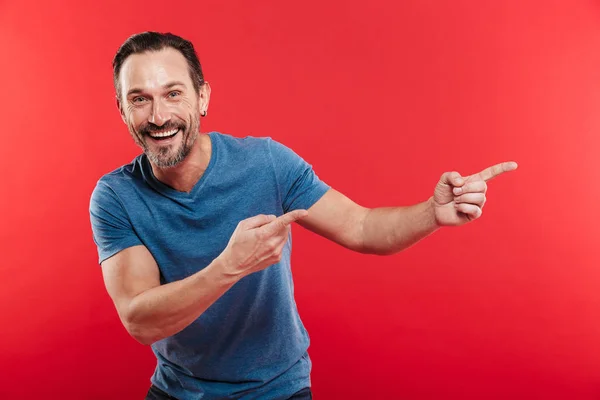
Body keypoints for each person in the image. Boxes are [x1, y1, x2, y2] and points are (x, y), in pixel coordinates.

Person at [89, 31, 517, 400]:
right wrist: (230, 267)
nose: (158, 115)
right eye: (139, 99)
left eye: (173, 93)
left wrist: (431, 213)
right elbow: (140, 320)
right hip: (179, 389)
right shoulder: (115, 196)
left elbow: (362, 227)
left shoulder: (267, 163)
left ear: (202, 97)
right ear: (122, 109)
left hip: (279, 388)